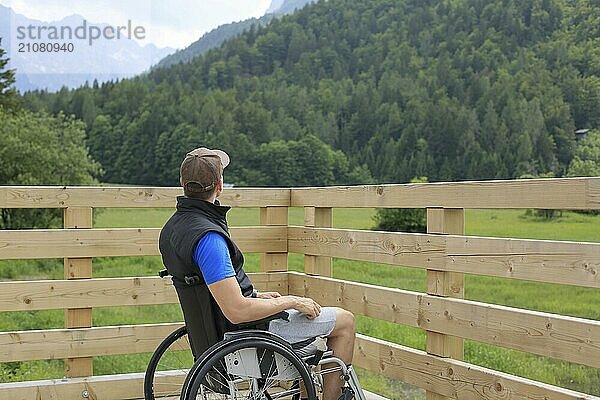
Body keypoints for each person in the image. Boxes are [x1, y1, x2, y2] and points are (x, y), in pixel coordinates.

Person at [159, 147, 356, 400]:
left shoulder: (173, 228)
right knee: (345, 322)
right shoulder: (209, 239)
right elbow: (237, 311)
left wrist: (258, 296)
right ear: (219, 185)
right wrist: (291, 301)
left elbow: (211, 291)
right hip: (247, 334)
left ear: (182, 183)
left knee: (314, 331)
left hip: (216, 330)